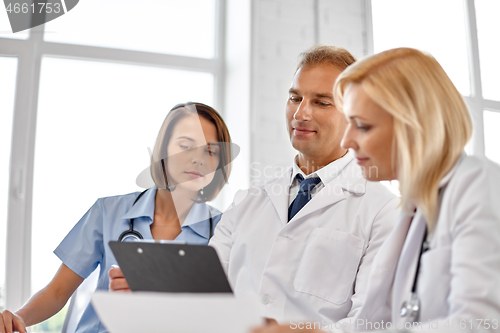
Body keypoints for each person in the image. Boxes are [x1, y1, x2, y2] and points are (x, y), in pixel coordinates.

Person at [251, 47, 500, 332]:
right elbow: (372, 325)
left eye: (363, 126)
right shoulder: (412, 212)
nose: (347, 141)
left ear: (413, 127)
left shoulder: (477, 184)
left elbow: (482, 324)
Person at [207, 45, 399, 326]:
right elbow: (203, 294)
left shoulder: (382, 210)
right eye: (295, 98)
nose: (300, 113)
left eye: (322, 102)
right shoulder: (247, 201)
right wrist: (148, 289)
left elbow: (373, 321)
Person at [0, 102, 233, 333]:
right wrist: (18, 318)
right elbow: (57, 292)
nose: (198, 159)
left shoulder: (225, 230)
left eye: (210, 151)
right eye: (185, 145)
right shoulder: (108, 212)